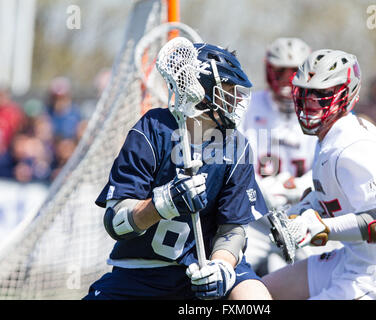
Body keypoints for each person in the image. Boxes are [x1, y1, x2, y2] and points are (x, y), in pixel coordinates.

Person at [83, 43, 272, 300]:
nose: (236, 99)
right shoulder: (152, 129)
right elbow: (115, 223)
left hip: (204, 268)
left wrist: (222, 268)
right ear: (200, 91)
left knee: (254, 298)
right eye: (227, 90)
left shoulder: (236, 146)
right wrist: (163, 204)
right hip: (142, 272)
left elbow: (233, 230)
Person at [262, 49, 376, 300]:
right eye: (305, 92)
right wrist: (301, 211)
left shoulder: (353, 146)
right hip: (351, 259)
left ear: (347, 95)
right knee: (254, 292)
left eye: (323, 94)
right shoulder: (330, 136)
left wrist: (319, 228)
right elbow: (332, 197)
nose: (311, 102)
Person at [239, 38, 323, 275]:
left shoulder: (321, 108)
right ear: (269, 71)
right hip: (256, 218)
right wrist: (257, 188)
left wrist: (302, 187)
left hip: (304, 213)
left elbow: (329, 162)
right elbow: (231, 157)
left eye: (295, 71)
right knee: (231, 271)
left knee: (320, 276)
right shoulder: (247, 106)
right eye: (281, 71)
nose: (288, 79)